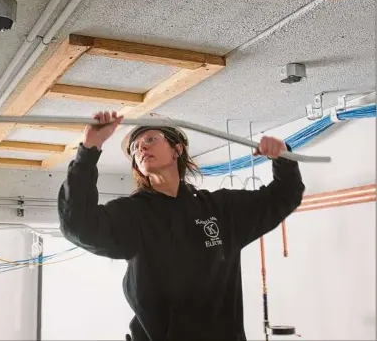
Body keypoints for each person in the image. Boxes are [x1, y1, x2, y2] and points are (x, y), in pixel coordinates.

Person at [58, 111, 304, 341]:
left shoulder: (220, 210)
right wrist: (89, 149)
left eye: (151, 139)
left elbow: (284, 196)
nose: (141, 147)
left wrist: (283, 157)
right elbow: (79, 225)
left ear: (177, 150)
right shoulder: (133, 215)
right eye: (135, 148)